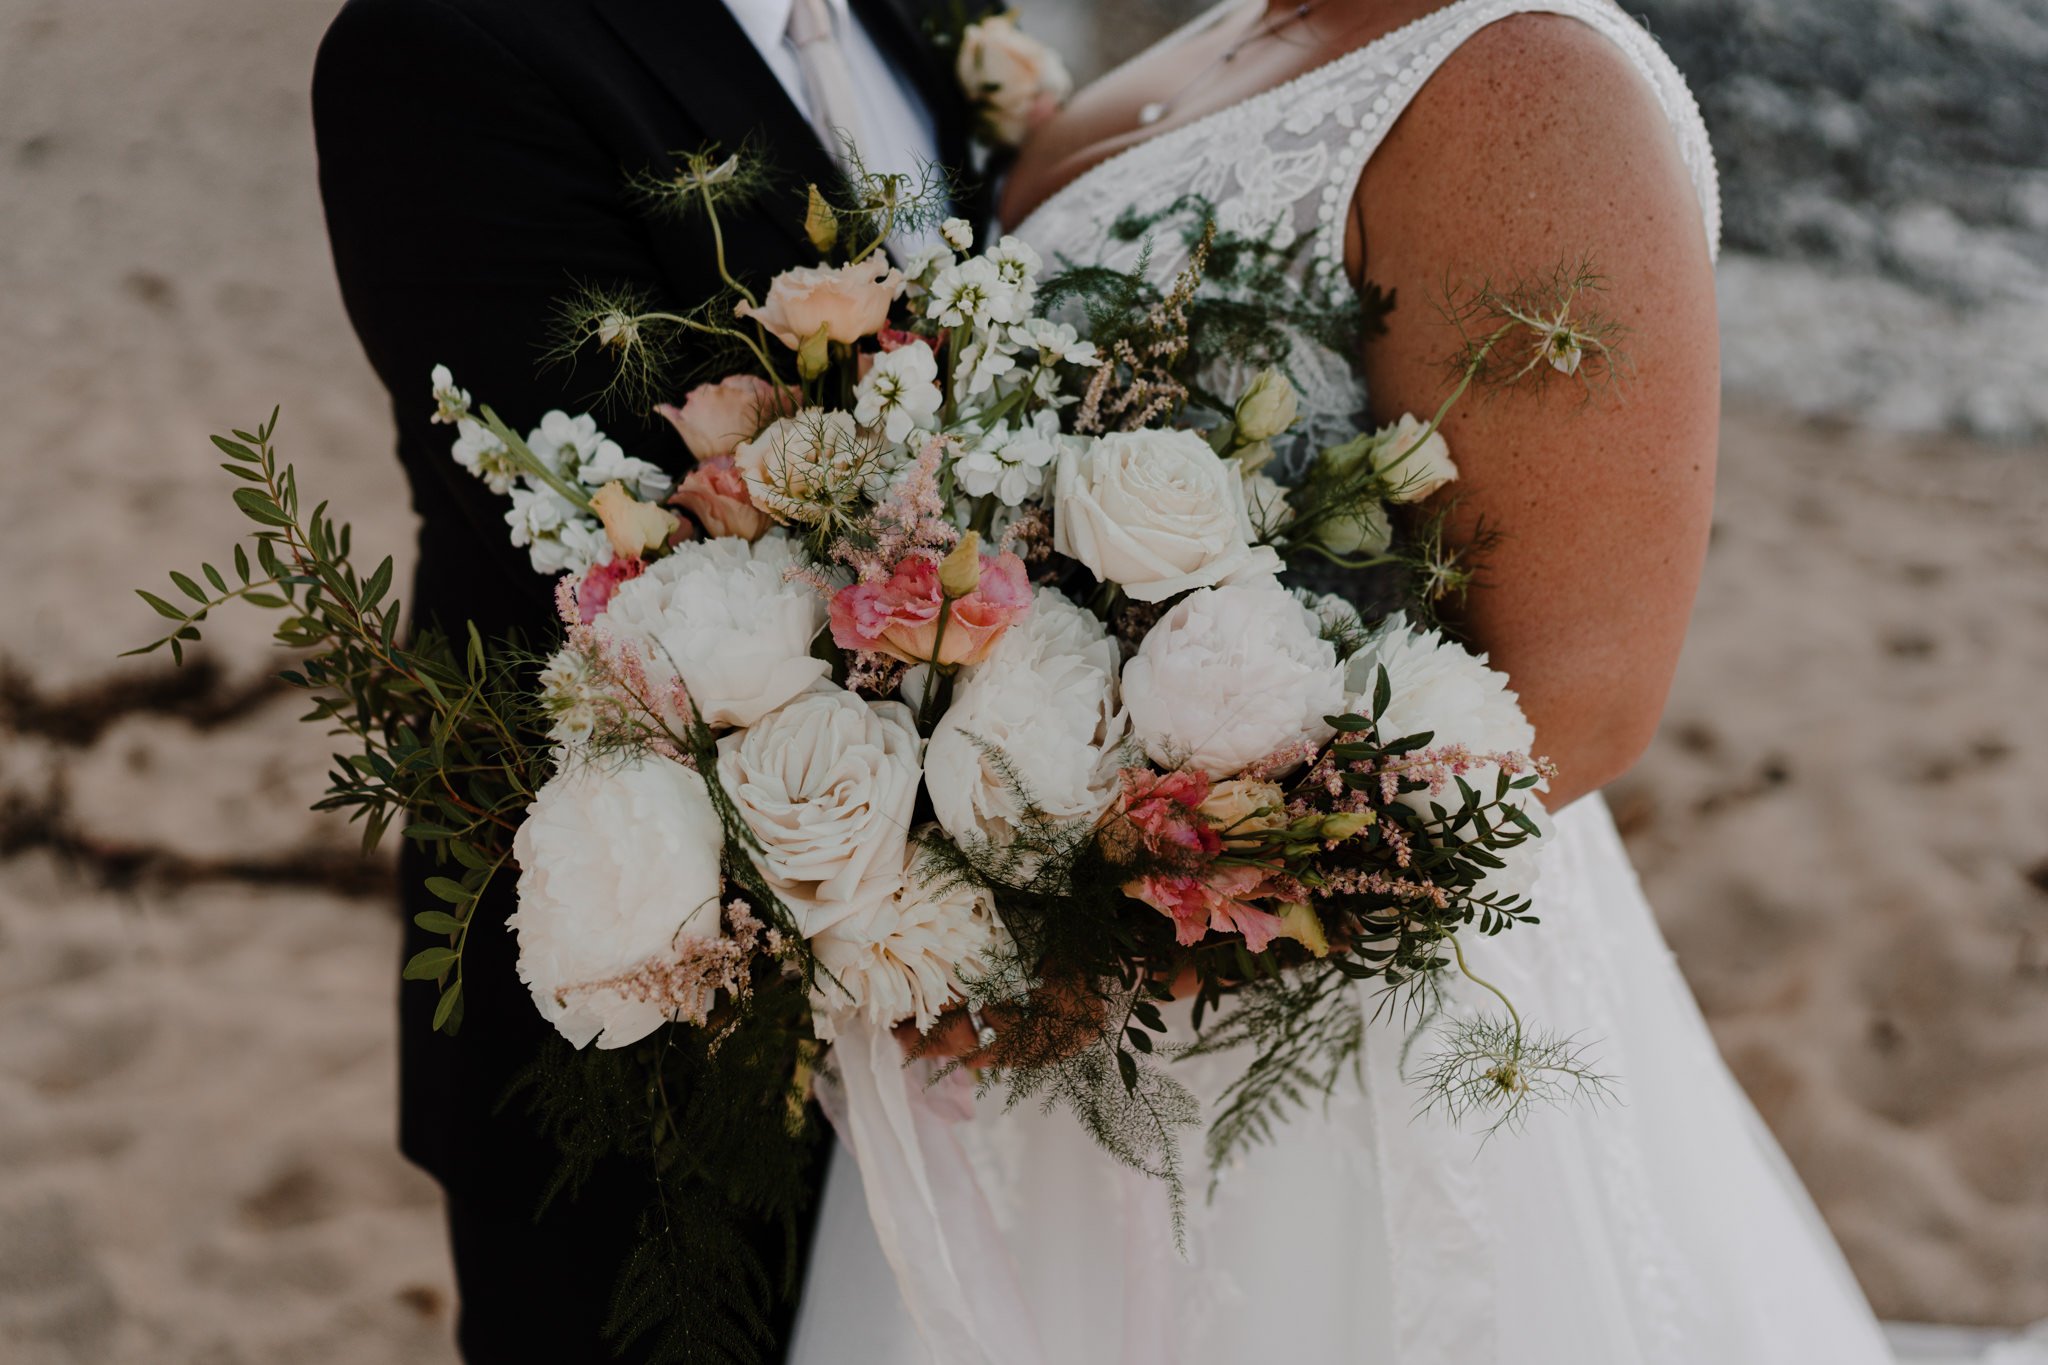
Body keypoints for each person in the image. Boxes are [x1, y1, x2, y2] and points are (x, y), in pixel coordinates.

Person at [789, 2, 1901, 1360]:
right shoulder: (1206, 44)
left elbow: (1580, 695)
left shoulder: (1529, 85)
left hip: (1304, 1034)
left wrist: (1089, 943)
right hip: (1024, 1018)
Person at [310, 0, 961, 1357]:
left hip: (948, 1013)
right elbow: (622, 551)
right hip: (643, 1011)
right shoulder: (446, 47)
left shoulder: (915, 15)